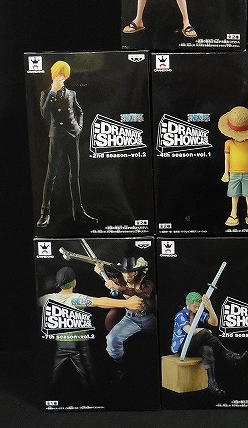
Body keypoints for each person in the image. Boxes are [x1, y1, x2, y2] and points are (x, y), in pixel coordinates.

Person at [39, 267, 143, 394]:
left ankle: (52, 395)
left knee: (54, 377)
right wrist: (125, 304)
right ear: (74, 282)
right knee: (87, 379)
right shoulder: (76, 299)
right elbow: (100, 302)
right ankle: (90, 396)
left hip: (61, 345)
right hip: (79, 346)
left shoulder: (48, 298)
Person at [37, 60, 97, 228]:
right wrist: (52, 92)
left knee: (75, 175)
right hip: (56, 136)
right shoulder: (46, 93)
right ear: (53, 75)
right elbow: (44, 113)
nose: (61, 77)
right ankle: (44, 213)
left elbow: (80, 111)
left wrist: (79, 128)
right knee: (51, 175)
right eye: (58, 74)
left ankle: (79, 212)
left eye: (63, 74)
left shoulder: (72, 93)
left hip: (72, 135)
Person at [171, 291, 248, 398]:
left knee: (207, 349)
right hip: (182, 348)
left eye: (199, 307)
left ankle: (212, 384)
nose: (197, 309)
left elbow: (214, 322)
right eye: (195, 306)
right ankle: (229, 355)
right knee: (204, 333)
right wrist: (204, 330)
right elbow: (189, 331)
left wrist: (210, 308)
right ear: (188, 304)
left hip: (192, 347)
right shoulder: (180, 315)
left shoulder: (198, 313)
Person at [94, 257, 156, 383]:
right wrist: (100, 271)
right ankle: (121, 367)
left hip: (150, 319)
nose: (127, 276)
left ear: (136, 272)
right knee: (111, 339)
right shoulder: (120, 280)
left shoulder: (147, 283)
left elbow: (144, 294)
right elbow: (108, 278)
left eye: (130, 272)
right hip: (130, 319)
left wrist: (119, 288)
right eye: (125, 272)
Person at [218, 106, 248, 227]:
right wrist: (226, 173)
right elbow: (226, 159)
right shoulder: (228, 143)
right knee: (234, 194)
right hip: (233, 173)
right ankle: (233, 213)